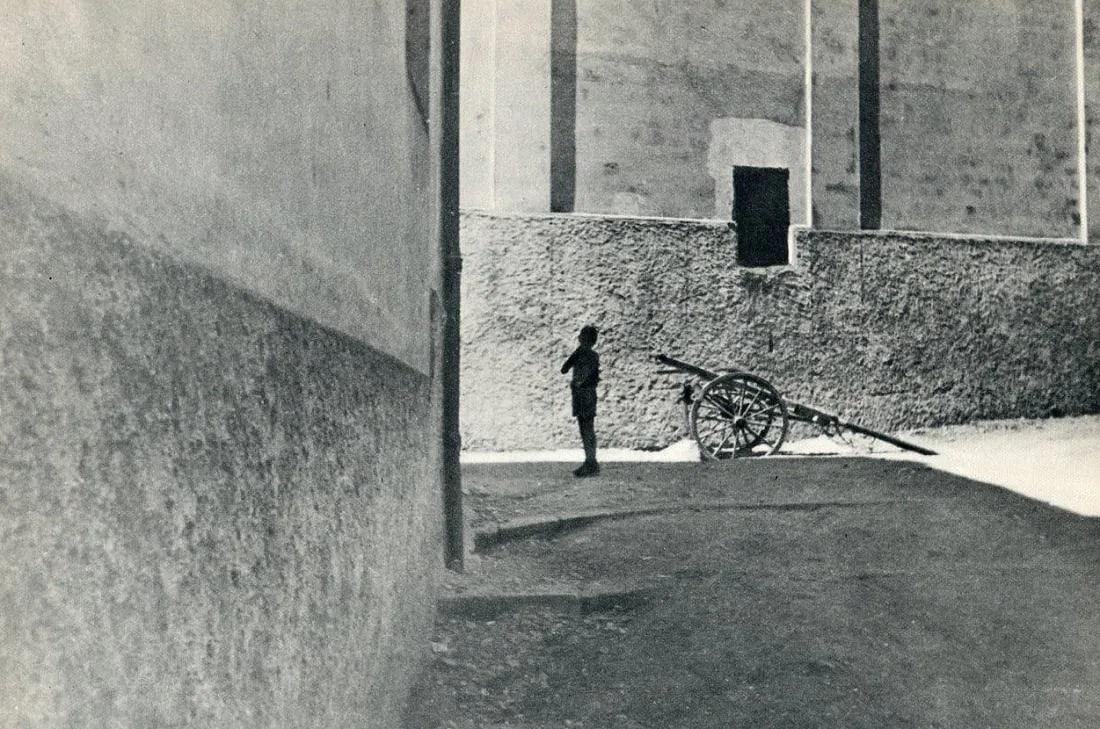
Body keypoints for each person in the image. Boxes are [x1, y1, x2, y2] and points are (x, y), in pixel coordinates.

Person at [561, 325, 600, 477]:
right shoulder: (581, 354)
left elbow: (584, 376)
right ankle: (590, 462)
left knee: (587, 429)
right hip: (581, 396)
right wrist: (576, 353)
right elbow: (564, 368)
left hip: (586, 396)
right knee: (584, 429)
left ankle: (591, 462)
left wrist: (578, 383)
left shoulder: (591, 356)